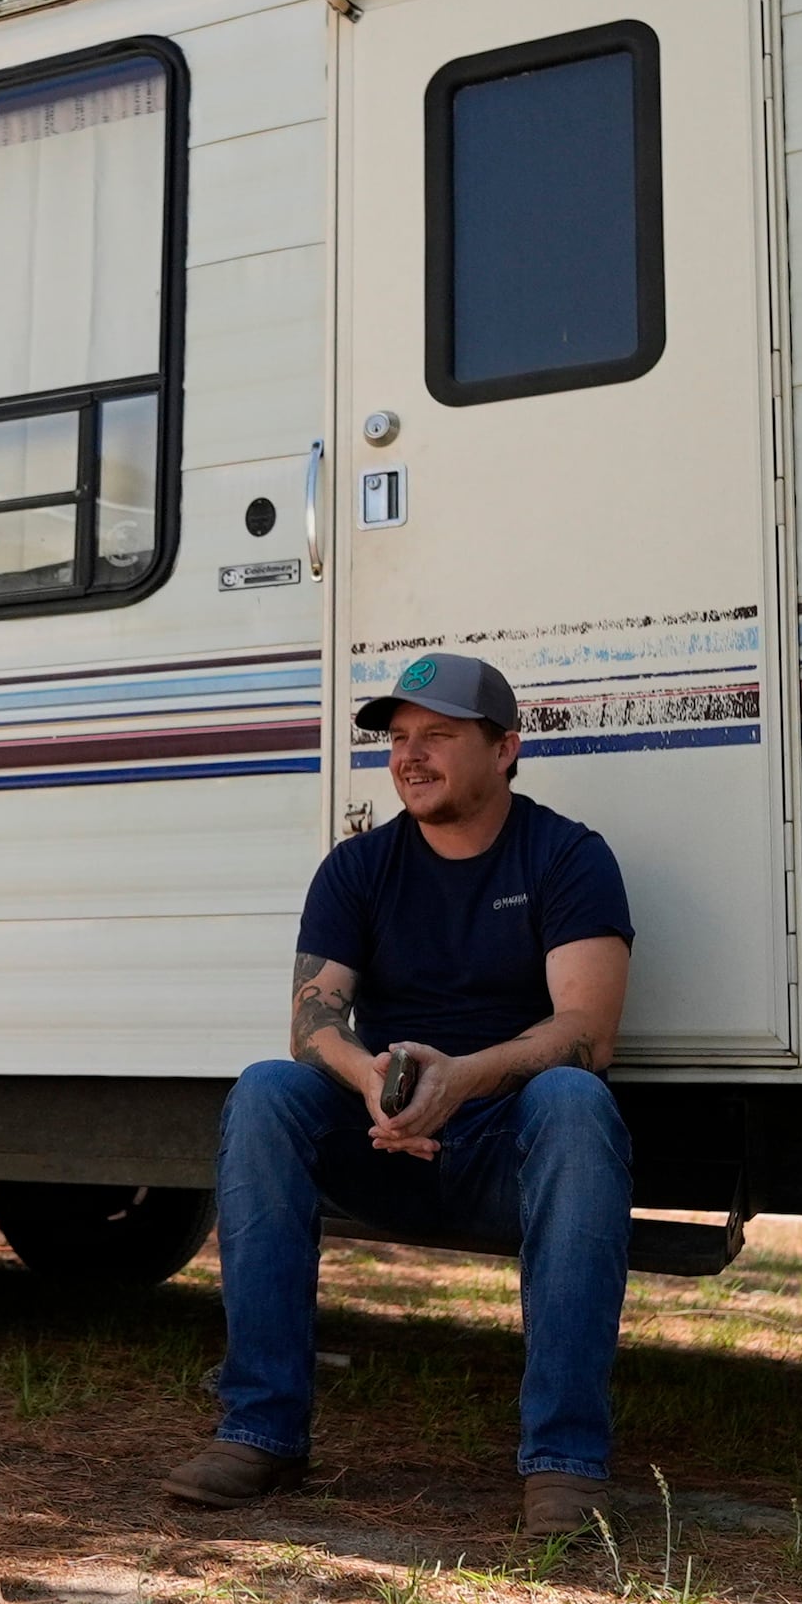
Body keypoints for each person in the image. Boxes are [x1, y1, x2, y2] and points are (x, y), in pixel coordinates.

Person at [164, 652, 638, 1535]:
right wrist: (377, 1082)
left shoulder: (569, 856)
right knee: (270, 1088)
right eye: (400, 740)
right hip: (386, 1139)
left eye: (439, 737)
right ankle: (260, 1432)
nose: (411, 757)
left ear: (504, 751)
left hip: (508, 1151)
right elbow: (313, 1025)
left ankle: (565, 1464)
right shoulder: (358, 868)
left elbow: (586, 1030)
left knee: (575, 1101)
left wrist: (461, 1081)